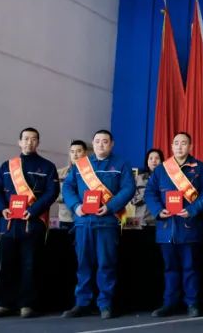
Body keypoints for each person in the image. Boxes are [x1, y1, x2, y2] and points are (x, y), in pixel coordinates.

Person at [61, 130, 136, 320]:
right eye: (97, 141)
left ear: (112, 144)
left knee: (106, 263)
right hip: (83, 222)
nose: (101, 145)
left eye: (105, 141)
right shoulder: (81, 165)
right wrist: (76, 206)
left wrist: (110, 206)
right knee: (83, 264)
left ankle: (105, 304)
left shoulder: (121, 164)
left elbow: (128, 188)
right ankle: (82, 303)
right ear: (92, 144)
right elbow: (68, 187)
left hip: (107, 222)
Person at [0, 127, 59, 319]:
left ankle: (27, 304)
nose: (29, 142)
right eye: (26, 139)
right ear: (19, 142)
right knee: (7, 265)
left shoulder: (47, 167)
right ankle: (5, 303)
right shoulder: (7, 166)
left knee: (30, 265)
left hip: (32, 223)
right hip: (9, 224)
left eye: (33, 139)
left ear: (38, 143)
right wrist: (2, 208)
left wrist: (33, 210)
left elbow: (52, 193)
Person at [144, 133, 203, 317]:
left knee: (191, 268)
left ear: (190, 146)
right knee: (170, 269)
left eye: (184, 143)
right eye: (176, 143)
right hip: (166, 227)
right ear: (171, 146)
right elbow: (150, 192)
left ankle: (192, 303)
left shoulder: (200, 168)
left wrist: (192, 209)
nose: (180, 146)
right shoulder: (161, 169)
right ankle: (170, 304)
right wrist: (158, 210)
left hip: (190, 226)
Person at [54, 140, 87, 231]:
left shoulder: (91, 174)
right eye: (72, 152)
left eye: (79, 151)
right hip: (66, 217)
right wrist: (71, 199)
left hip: (85, 216)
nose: (75, 155)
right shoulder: (60, 173)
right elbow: (54, 194)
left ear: (85, 153)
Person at [130, 149, 165, 228]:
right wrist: (147, 194)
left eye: (157, 158)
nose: (154, 161)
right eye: (151, 158)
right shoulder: (138, 178)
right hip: (140, 221)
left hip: (159, 222)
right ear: (147, 162)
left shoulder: (166, 180)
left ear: (161, 162)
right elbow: (132, 200)